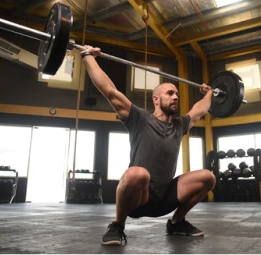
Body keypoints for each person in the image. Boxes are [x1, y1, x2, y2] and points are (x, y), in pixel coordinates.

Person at [80, 45, 216, 246]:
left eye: (176, 94)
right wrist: (87, 56)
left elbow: (199, 110)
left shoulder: (180, 125)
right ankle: (117, 225)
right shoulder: (140, 119)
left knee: (208, 177)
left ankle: (177, 222)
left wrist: (210, 93)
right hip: (138, 200)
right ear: (156, 99)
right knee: (138, 173)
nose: (176, 97)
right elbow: (110, 92)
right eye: (170, 93)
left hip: (165, 199)